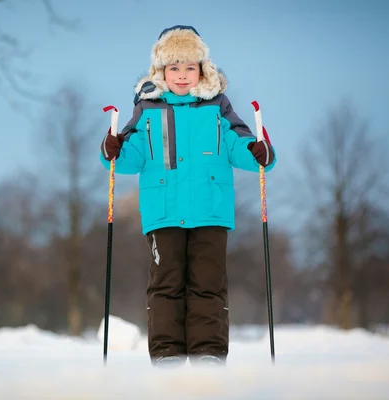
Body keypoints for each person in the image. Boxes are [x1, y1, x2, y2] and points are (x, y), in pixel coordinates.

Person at [99, 25, 276, 367]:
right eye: (174, 67)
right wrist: (113, 150)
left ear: (202, 69)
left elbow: (239, 145)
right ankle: (167, 356)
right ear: (162, 71)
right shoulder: (148, 109)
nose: (182, 75)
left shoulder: (218, 107)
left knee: (207, 287)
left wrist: (258, 152)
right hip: (163, 213)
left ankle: (208, 354)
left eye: (189, 67)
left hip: (211, 212)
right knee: (166, 287)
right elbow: (129, 158)